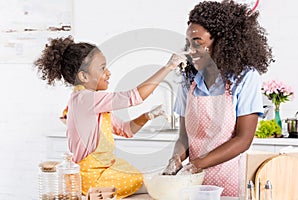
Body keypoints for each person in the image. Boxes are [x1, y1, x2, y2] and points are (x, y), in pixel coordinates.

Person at [34, 36, 186, 198]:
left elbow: (125, 130)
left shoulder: (92, 101)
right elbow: (133, 97)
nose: (108, 73)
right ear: (84, 77)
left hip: (104, 171)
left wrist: (148, 116)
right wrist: (169, 67)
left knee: (151, 182)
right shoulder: (85, 99)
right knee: (154, 184)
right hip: (92, 179)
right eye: (102, 68)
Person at [162, 0, 273, 197]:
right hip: (193, 182)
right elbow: (184, 137)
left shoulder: (244, 78)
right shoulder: (189, 80)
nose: (190, 50)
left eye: (198, 43)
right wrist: (176, 160)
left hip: (230, 180)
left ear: (221, 42)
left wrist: (196, 164)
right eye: (188, 43)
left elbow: (243, 139)